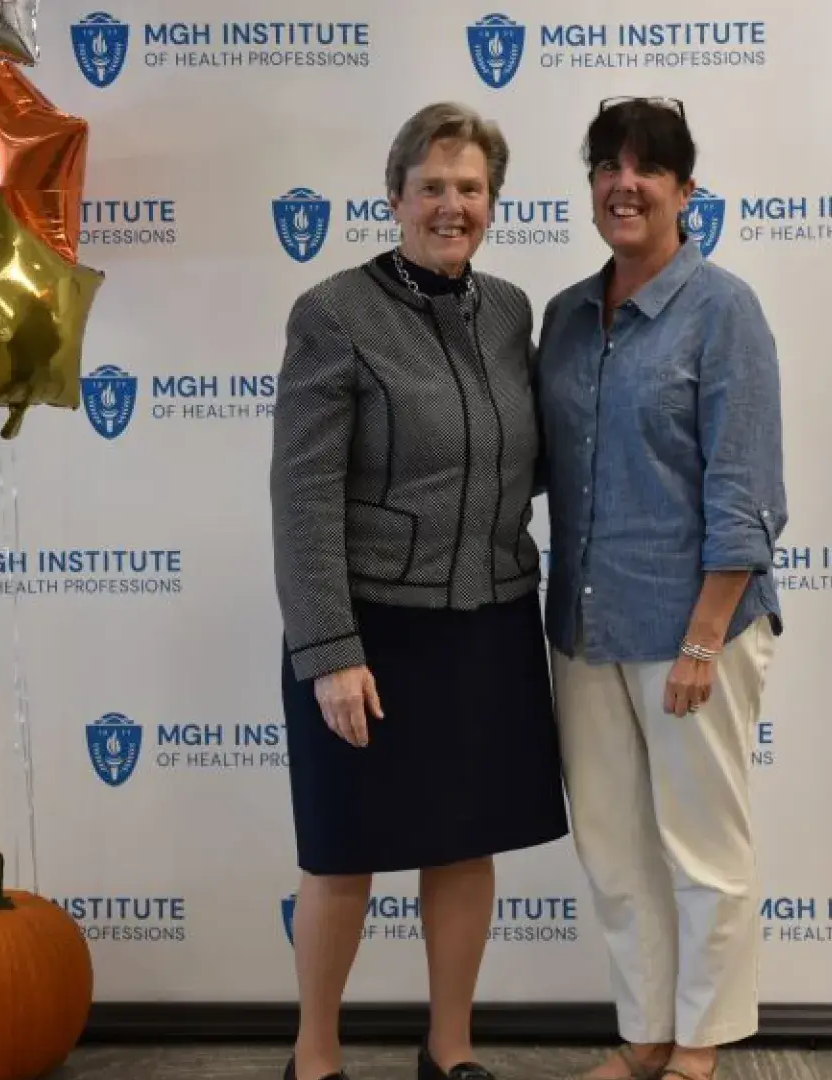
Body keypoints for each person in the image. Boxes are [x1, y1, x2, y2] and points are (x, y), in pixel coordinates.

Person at [269, 101, 569, 1080]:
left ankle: (450, 1052)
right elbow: (303, 495)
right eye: (433, 186)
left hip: (487, 622)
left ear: (493, 202)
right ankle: (314, 1058)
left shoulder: (513, 310)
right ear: (395, 196)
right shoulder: (333, 314)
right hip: (372, 633)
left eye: (471, 188)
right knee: (344, 854)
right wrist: (329, 652)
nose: (453, 205)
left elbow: (514, 456)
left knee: (465, 847)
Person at [534, 97, 788, 1080]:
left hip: (696, 632)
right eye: (606, 165)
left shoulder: (724, 310)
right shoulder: (562, 317)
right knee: (612, 850)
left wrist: (703, 637)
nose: (623, 184)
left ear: (687, 190)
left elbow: (746, 488)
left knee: (702, 849)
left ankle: (701, 1045)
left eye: (648, 168)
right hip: (585, 633)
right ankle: (642, 1036)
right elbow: (535, 464)